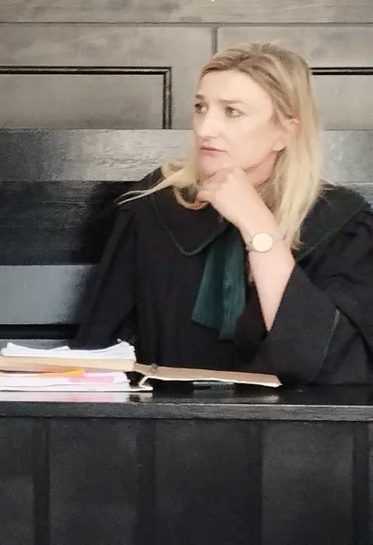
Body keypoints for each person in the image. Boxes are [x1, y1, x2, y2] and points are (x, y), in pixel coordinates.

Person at [76, 42, 373, 384]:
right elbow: (101, 347)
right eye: (200, 107)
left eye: (232, 111)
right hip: (164, 413)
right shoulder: (155, 205)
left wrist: (257, 226)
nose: (205, 128)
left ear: (284, 132)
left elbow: (337, 366)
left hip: (289, 417)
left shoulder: (340, 223)